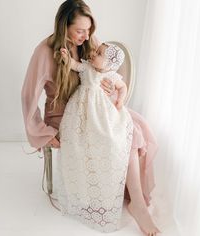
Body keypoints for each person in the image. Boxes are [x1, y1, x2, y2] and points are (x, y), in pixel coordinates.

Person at [21, 0, 161, 235]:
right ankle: (122, 197)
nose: (86, 37)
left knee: (133, 126)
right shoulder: (44, 51)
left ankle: (135, 200)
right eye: (80, 30)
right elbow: (28, 95)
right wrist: (42, 132)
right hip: (64, 115)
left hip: (94, 109)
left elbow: (105, 71)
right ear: (64, 26)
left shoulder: (88, 42)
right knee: (115, 134)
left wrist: (110, 87)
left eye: (89, 30)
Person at [56, 42, 134, 232]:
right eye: (97, 51)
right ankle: (79, 191)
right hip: (80, 110)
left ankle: (101, 190)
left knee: (108, 137)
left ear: (109, 63)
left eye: (99, 54)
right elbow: (74, 65)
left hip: (99, 112)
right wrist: (67, 58)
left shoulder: (110, 75)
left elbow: (122, 87)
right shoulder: (87, 67)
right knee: (77, 139)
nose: (94, 54)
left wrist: (119, 102)